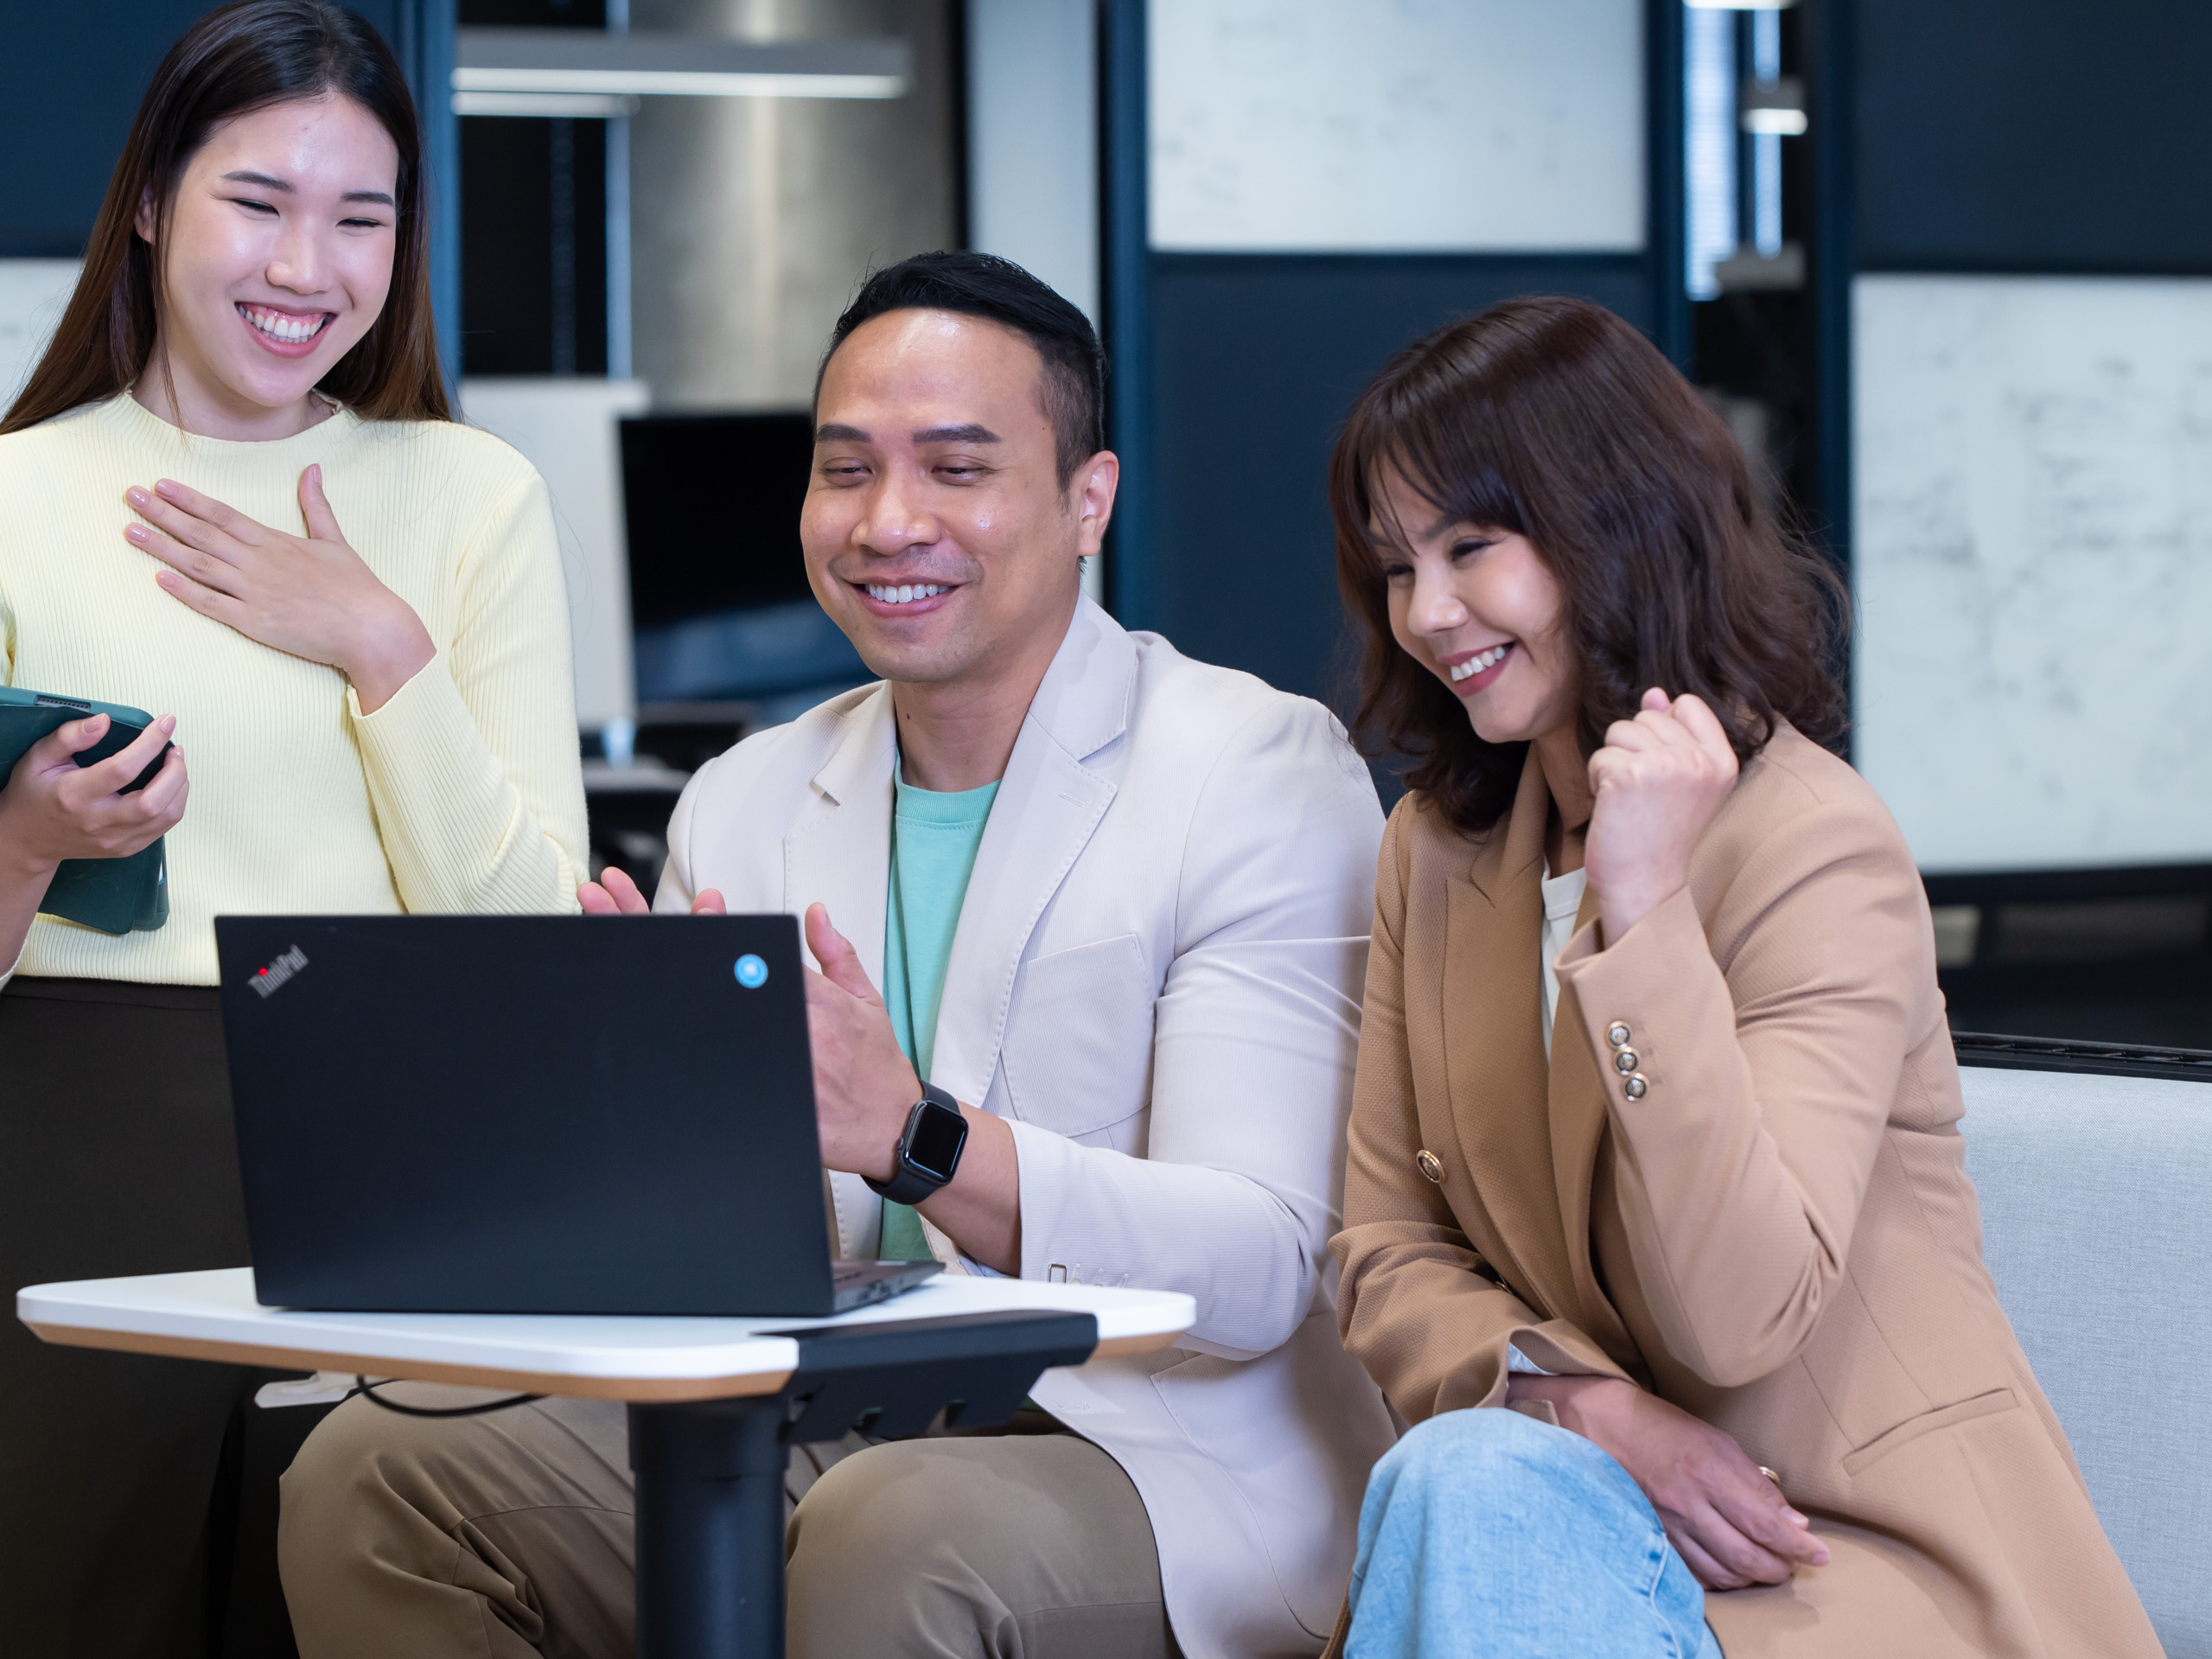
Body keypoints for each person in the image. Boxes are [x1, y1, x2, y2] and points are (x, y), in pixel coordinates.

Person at [276, 251, 1397, 1657]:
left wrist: (919, 1136)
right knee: (374, 1474)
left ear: (1088, 500)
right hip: (835, 1420)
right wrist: (651, 1139)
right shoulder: (745, 797)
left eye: (956, 468)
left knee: (892, 1531)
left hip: (1164, 1457)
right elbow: (744, 1261)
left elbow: (1261, 1266)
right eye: (847, 468)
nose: (888, 521)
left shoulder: (1256, 769)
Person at [0, 0, 587, 1658]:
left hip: (394, 1157)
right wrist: (26, 837)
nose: (305, 265)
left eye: (360, 217)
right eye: (258, 200)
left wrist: (380, 645)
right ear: (150, 202)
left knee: (346, 1611)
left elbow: (529, 942)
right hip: (80, 1144)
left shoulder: (475, 497)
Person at [1321, 296, 2158, 1659]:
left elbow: (1738, 1311)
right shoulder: (1435, 848)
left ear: (1612, 520)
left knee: (1465, 1489)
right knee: (1462, 1480)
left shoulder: (1814, 843)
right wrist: (1595, 1411)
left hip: (1843, 1557)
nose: (1427, 612)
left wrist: (1645, 910)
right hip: (1573, 1522)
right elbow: (1383, 1247)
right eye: (1395, 565)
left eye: (1470, 547)